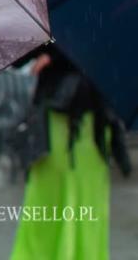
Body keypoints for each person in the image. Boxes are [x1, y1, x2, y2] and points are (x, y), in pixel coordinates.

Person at [10, 47, 131, 260]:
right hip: (54, 121)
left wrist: (57, 54)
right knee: (49, 201)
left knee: (86, 203)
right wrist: (50, 49)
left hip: (92, 124)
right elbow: (18, 57)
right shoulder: (52, 18)